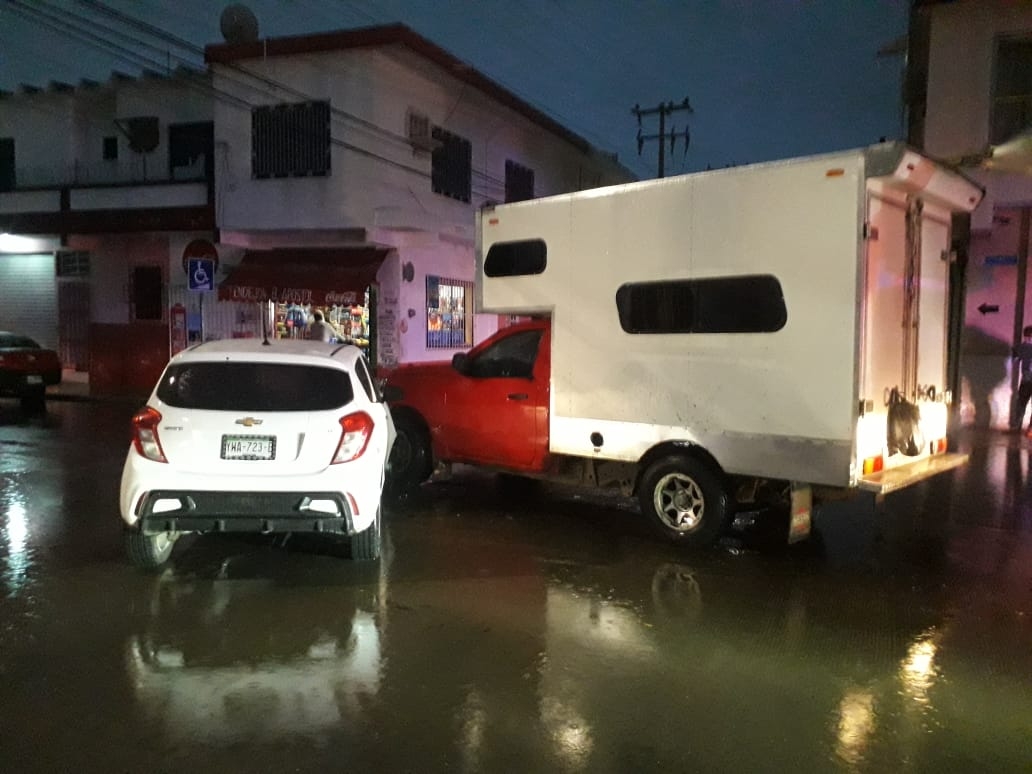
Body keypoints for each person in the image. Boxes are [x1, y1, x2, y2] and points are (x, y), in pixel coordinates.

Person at [1013, 325, 1032, 435]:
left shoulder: (1021, 347)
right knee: (1021, 403)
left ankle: (1018, 426)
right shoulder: (1022, 348)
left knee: (1021, 403)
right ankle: (1028, 428)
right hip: (1026, 379)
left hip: (1026, 379)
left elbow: (1015, 359)